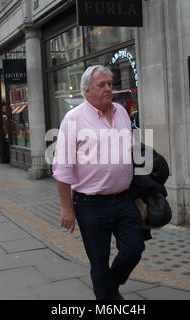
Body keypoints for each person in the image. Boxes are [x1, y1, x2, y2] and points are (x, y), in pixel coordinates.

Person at [52, 66, 145, 300]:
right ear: (86, 91)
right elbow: (62, 168)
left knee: (134, 249)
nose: (107, 89)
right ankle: (107, 296)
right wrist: (67, 208)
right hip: (90, 204)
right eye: (101, 85)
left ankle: (109, 289)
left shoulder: (122, 112)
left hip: (124, 199)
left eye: (109, 84)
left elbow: (131, 151)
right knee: (99, 262)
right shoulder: (73, 119)